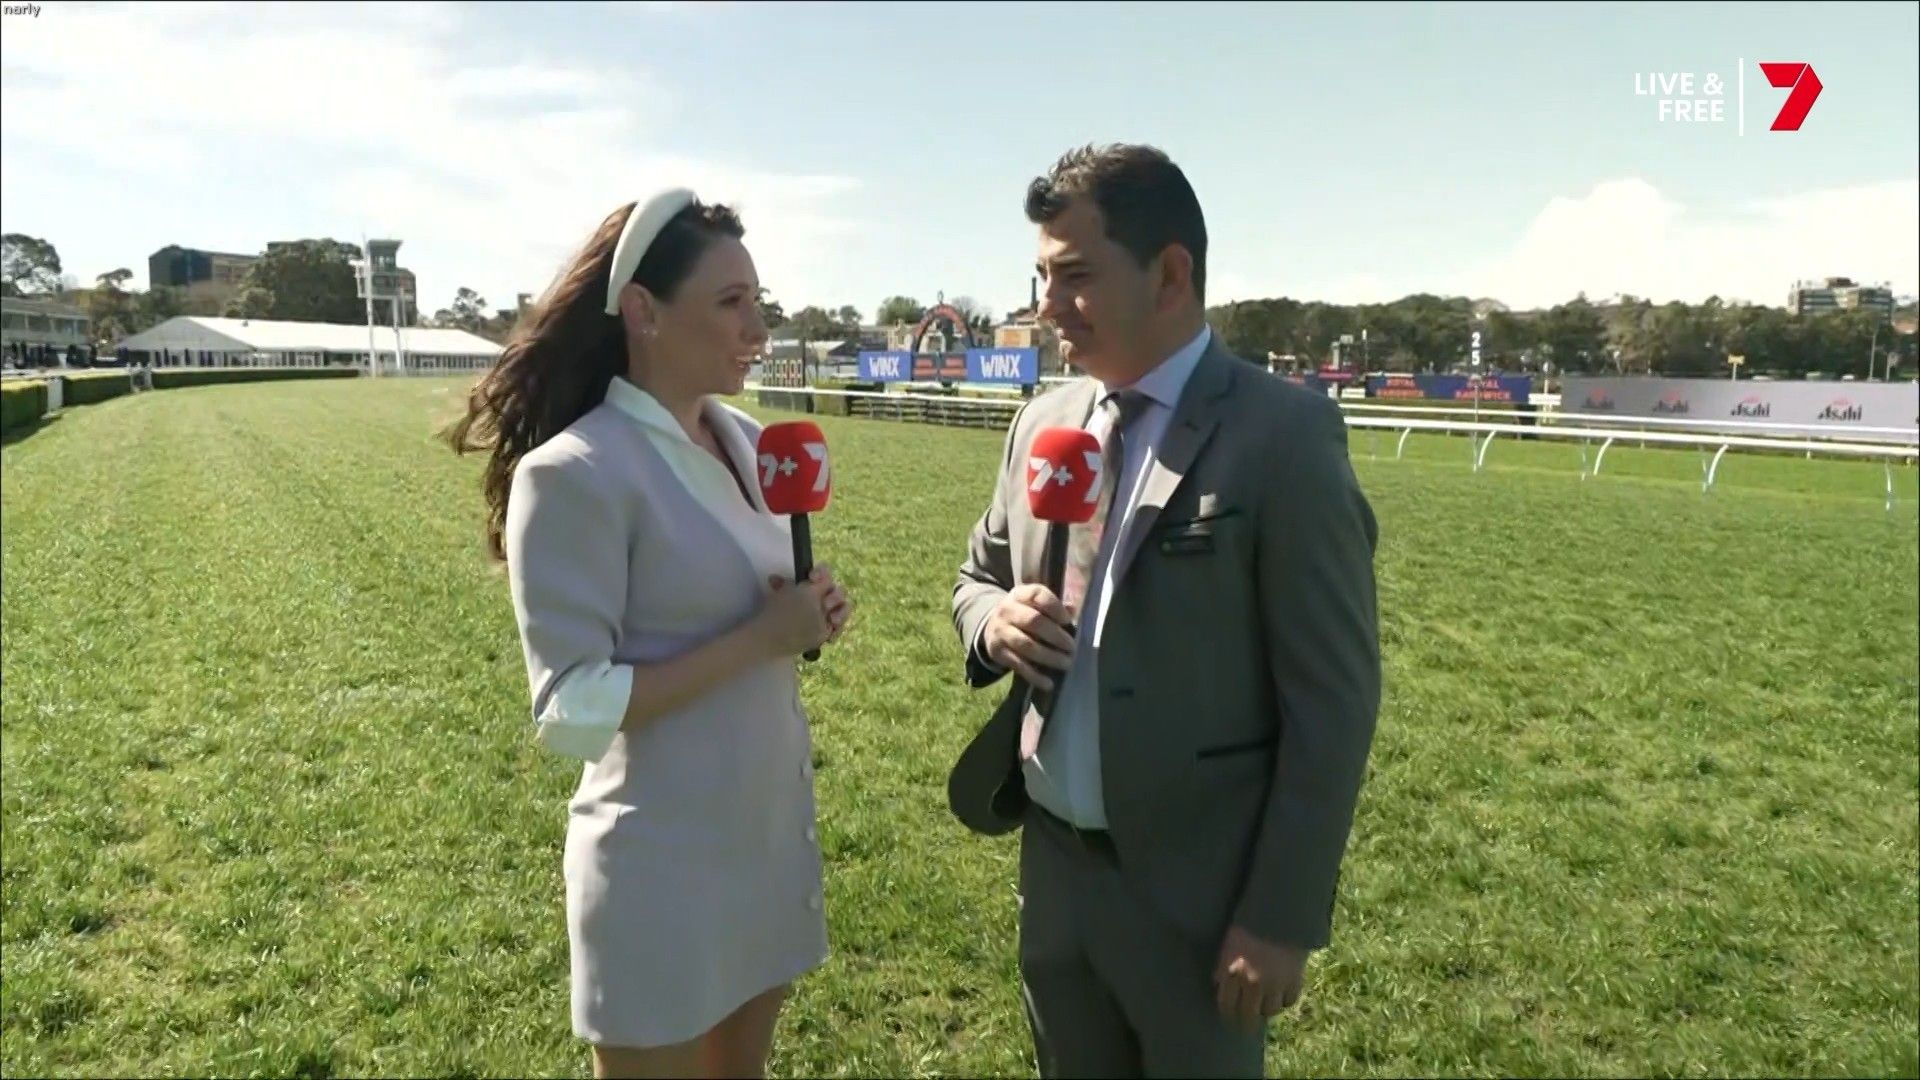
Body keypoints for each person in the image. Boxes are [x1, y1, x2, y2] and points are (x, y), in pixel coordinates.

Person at [947, 144, 1382, 1078]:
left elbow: (1333, 703)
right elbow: (974, 577)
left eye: (1075, 276)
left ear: (1171, 274)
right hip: (1054, 880)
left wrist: (1280, 916)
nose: (1047, 305)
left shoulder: (1284, 437)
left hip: (1204, 904)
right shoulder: (1041, 422)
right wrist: (993, 622)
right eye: (1041, 277)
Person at [443, 188, 852, 1079]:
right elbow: (571, 706)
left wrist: (808, 609)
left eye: (758, 300)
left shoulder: (750, 440)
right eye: (731, 303)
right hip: (657, 867)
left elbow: (757, 610)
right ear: (643, 310)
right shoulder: (574, 472)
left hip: (764, 842)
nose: (758, 329)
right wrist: (760, 637)